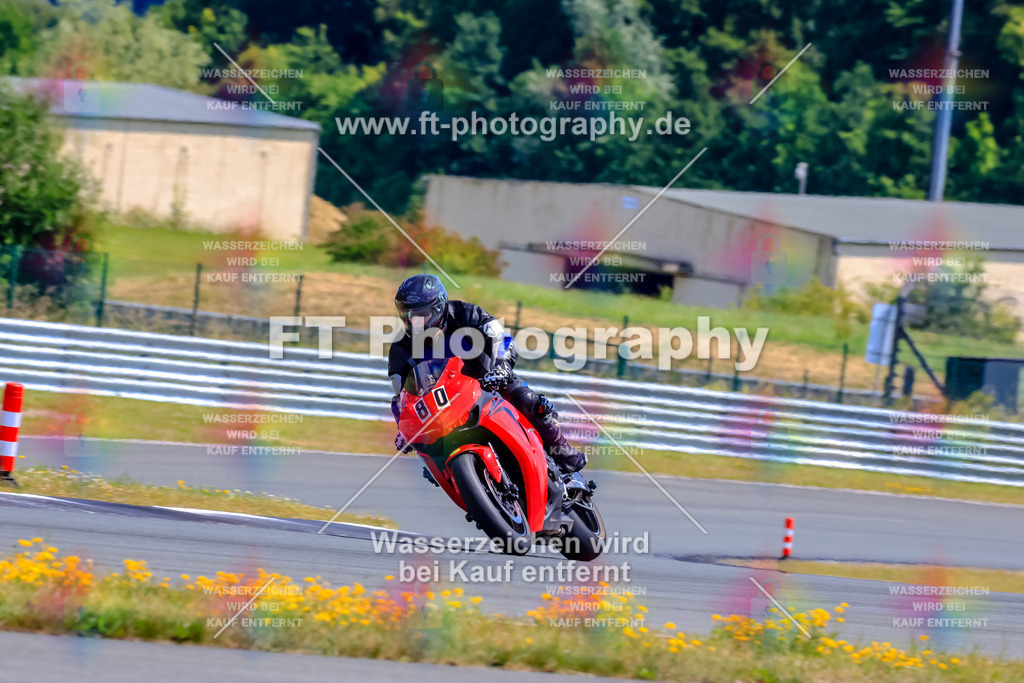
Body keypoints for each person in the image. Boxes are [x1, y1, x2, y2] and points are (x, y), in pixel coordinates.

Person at [388, 274, 587, 473]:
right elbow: (401, 398)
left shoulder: (466, 314)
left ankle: (563, 451)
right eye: (408, 316)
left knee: (530, 402)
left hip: (490, 381)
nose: (416, 323)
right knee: (429, 460)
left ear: (439, 307)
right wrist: (403, 428)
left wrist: (501, 367)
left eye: (422, 315)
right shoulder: (401, 349)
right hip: (445, 405)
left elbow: (503, 338)